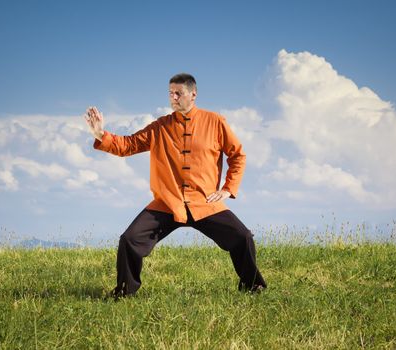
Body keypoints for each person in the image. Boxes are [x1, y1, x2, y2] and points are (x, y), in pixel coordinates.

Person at [84, 73, 266, 298]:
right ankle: (124, 292)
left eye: (178, 93)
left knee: (242, 237)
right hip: (167, 203)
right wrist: (100, 134)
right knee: (129, 239)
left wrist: (228, 188)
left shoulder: (216, 122)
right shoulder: (160, 127)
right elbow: (127, 145)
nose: (173, 97)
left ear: (193, 94)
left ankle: (253, 287)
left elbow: (237, 155)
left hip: (204, 202)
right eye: (170, 93)